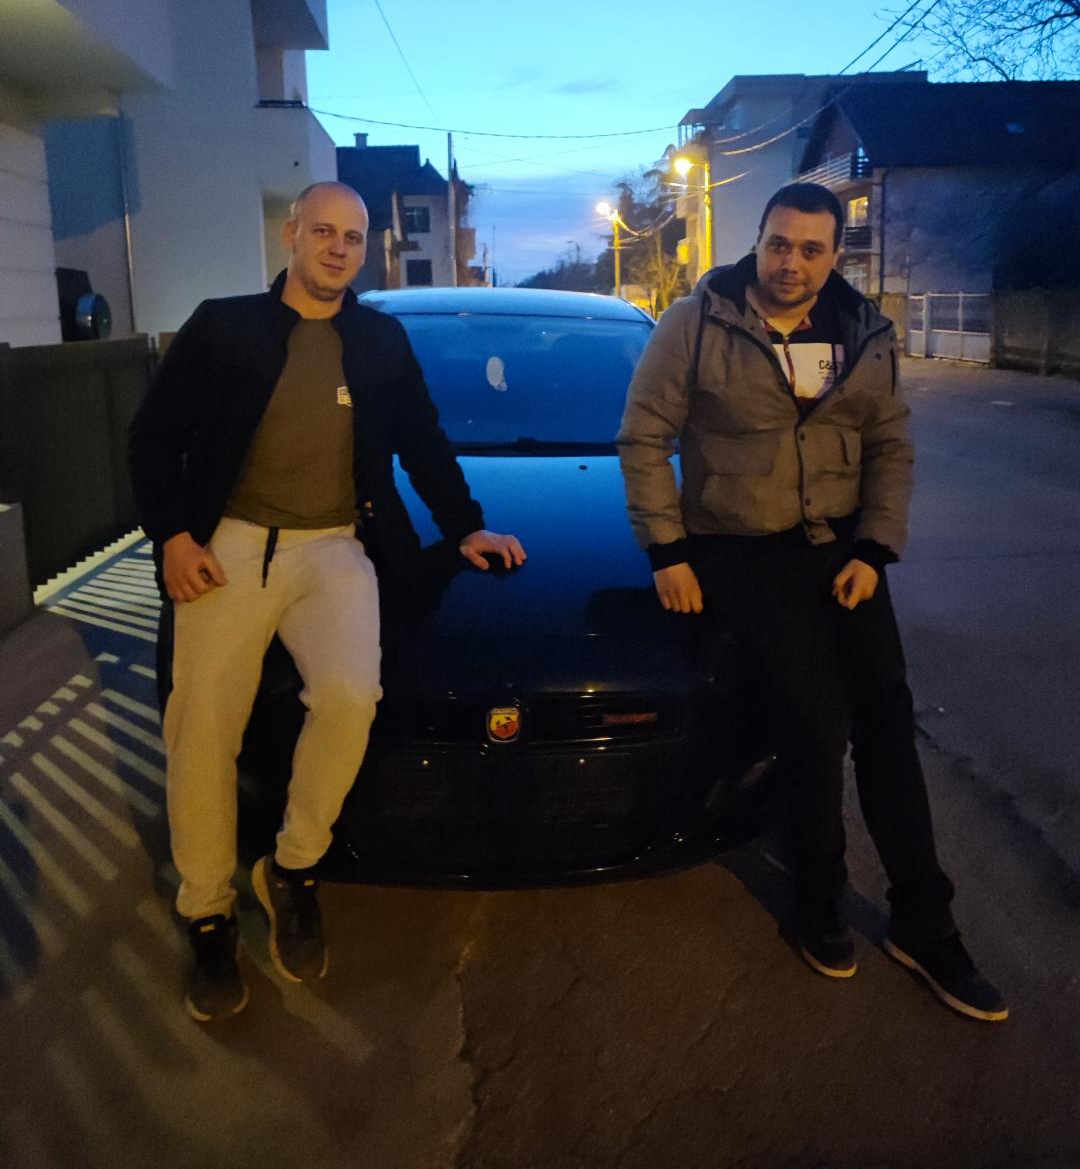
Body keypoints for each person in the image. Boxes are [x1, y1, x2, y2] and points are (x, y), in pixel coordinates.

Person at [129, 181, 525, 1022]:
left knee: (351, 697)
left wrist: (466, 526)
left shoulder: (379, 340)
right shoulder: (224, 327)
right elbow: (153, 437)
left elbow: (422, 440)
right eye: (323, 232)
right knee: (201, 725)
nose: (339, 248)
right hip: (231, 544)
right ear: (292, 235)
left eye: (353, 236)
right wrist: (173, 537)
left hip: (338, 545)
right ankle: (207, 910)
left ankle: (292, 867)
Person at [616, 181, 1007, 1022]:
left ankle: (924, 922)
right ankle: (819, 898)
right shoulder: (697, 323)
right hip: (743, 552)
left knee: (888, 725)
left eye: (810, 248)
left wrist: (874, 546)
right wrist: (667, 551)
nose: (790, 262)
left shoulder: (861, 332)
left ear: (834, 257)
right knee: (815, 723)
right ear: (757, 242)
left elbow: (888, 444)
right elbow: (644, 436)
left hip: (841, 552)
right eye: (778, 244)